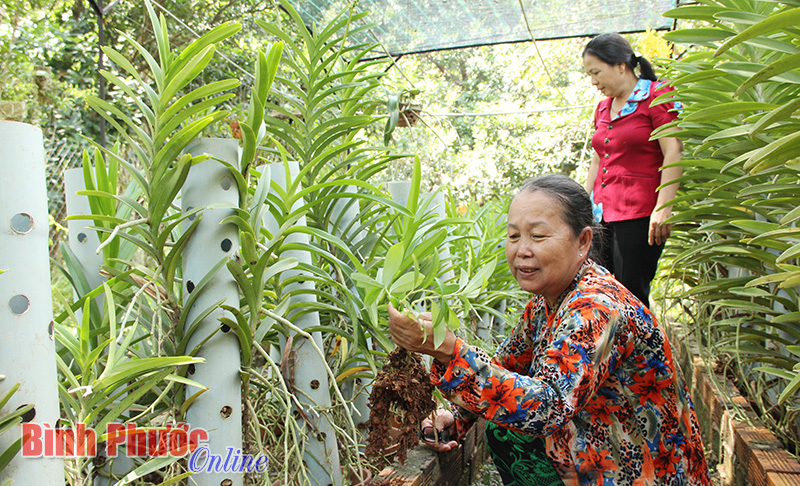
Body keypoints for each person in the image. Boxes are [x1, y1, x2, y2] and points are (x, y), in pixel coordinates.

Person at [387, 174, 710, 486]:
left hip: (645, 472)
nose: (522, 250)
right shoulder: (549, 301)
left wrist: (447, 349)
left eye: (538, 236)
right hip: (599, 454)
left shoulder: (597, 307)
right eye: (513, 236)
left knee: (512, 430)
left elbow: (547, 408)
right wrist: (456, 418)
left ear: (583, 241)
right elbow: (507, 366)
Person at [582, 33, 683, 306]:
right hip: (601, 216)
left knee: (630, 297)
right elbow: (597, 159)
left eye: (596, 72)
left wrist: (664, 207)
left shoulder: (656, 95)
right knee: (597, 292)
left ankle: (642, 349)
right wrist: (581, 203)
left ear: (620, 66)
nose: (593, 81)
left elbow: (674, 150)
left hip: (639, 215)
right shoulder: (602, 108)